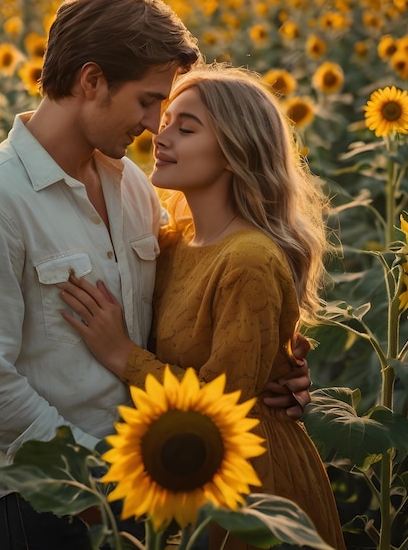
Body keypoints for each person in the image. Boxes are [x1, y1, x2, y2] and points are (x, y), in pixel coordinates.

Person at [0, 0, 313, 550]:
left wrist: (269, 368)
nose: (156, 122)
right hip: (39, 507)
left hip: (149, 496)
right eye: (148, 100)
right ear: (92, 80)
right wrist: (94, 483)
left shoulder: (134, 186)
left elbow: (192, 307)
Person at [58, 64, 346, 550]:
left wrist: (119, 353)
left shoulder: (248, 259)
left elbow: (219, 403)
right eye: (166, 121)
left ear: (236, 152)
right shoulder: (173, 244)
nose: (160, 135)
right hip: (190, 471)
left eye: (185, 128)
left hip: (249, 486)